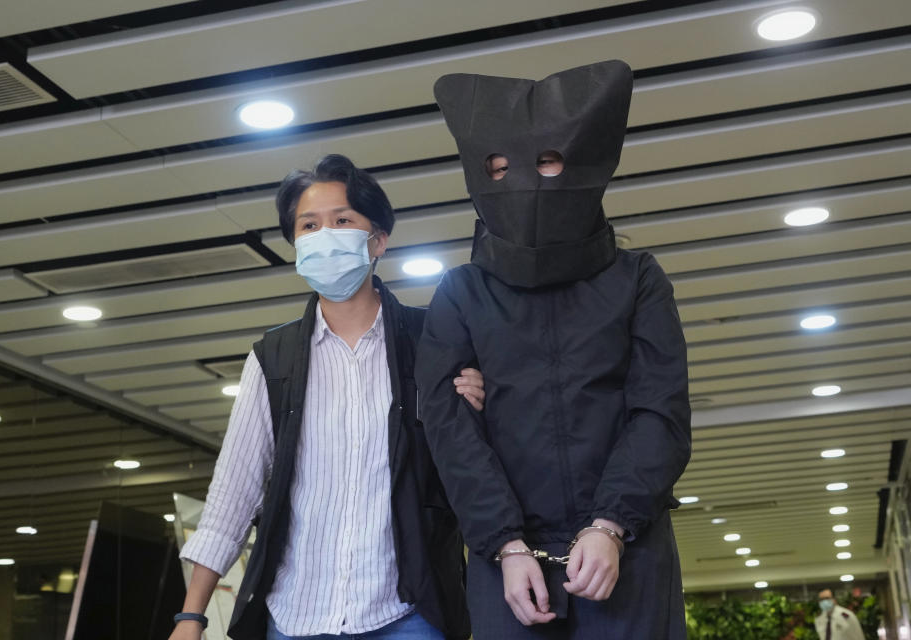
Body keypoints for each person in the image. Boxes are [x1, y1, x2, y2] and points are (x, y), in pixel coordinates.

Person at [415, 61, 692, 639]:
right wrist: (503, 544)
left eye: (547, 161)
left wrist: (611, 523)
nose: (524, 181)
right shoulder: (460, 292)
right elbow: (449, 430)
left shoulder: (638, 279)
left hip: (627, 547)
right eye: (498, 167)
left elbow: (659, 410)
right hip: (507, 563)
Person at [169, 154, 480, 640]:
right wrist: (191, 617)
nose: (324, 236)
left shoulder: (434, 343)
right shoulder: (273, 360)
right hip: (296, 615)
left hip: (408, 612)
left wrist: (477, 406)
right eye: (308, 225)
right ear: (295, 244)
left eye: (342, 221)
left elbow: (473, 469)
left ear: (377, 239)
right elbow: (234, 494)